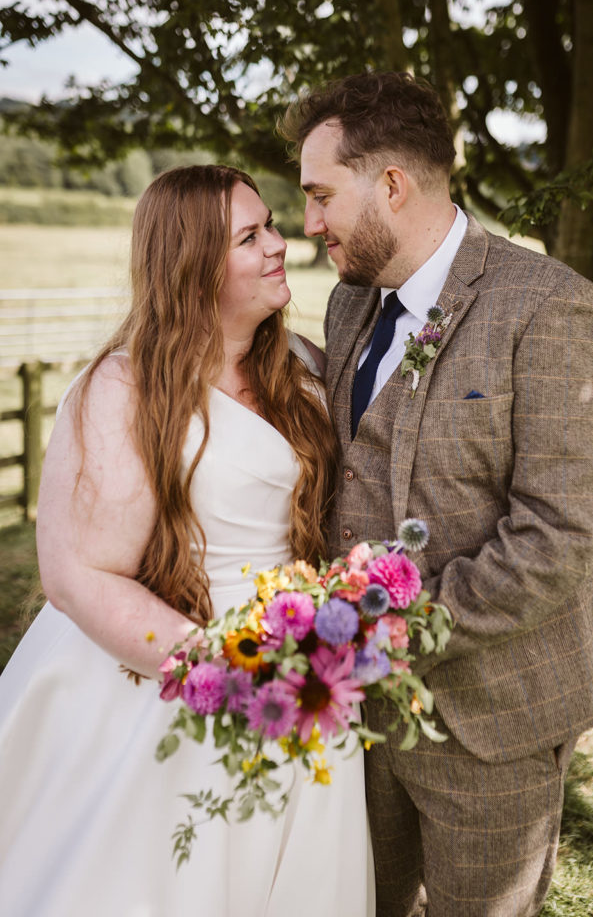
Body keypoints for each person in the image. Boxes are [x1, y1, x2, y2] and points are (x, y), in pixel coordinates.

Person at [278, 71, 593, 917]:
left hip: (494, 716)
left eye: (321, 195)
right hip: (361, 716)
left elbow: (557, 536)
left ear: (391, 186)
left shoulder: (547, 307)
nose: (308, 223)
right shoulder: (349, 303)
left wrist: (389, 636)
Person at [0, 165, 374, 917]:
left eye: (270, 224)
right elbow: (78, 575)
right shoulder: (125, 388)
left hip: (300, 661)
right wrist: (224, 675)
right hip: (168, 669)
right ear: (193, 266)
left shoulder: (302, 367)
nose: (280, 244)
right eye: (249, 236)